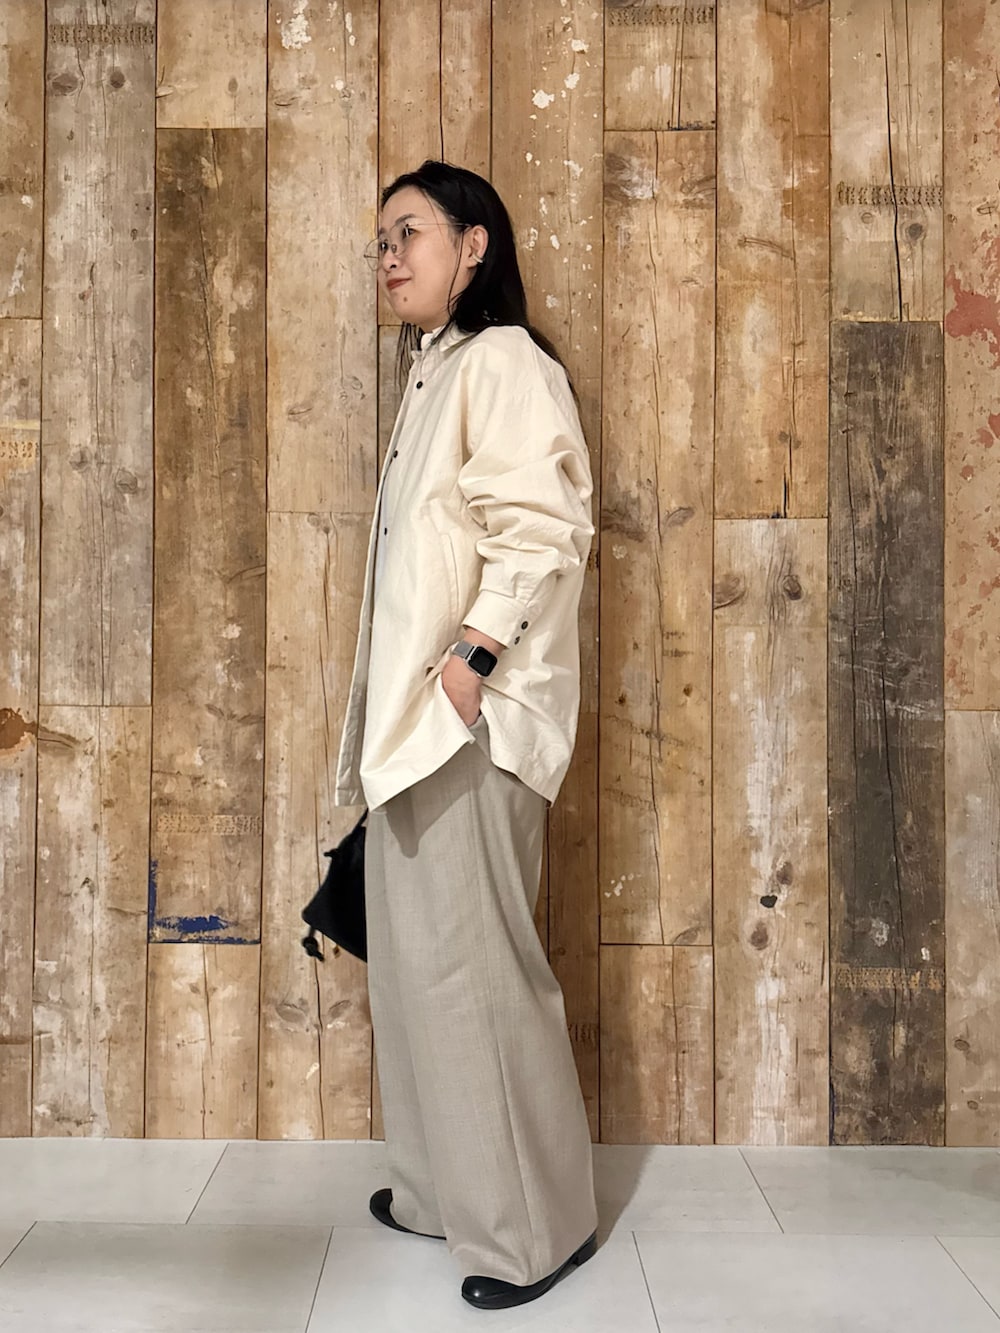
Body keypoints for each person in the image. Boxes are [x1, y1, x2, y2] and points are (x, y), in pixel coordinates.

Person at [334, 159, 598, 1312]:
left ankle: (533, 1231)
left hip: (469, 724)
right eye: (381, 240)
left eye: (411, 233)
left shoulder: (502, 361)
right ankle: (442, 1192)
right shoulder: (435, 370)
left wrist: (471, 662)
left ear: (473, 245)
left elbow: (543, 529)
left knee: (477, 978)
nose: (389, 256)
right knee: (417, 977)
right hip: (418, 728)